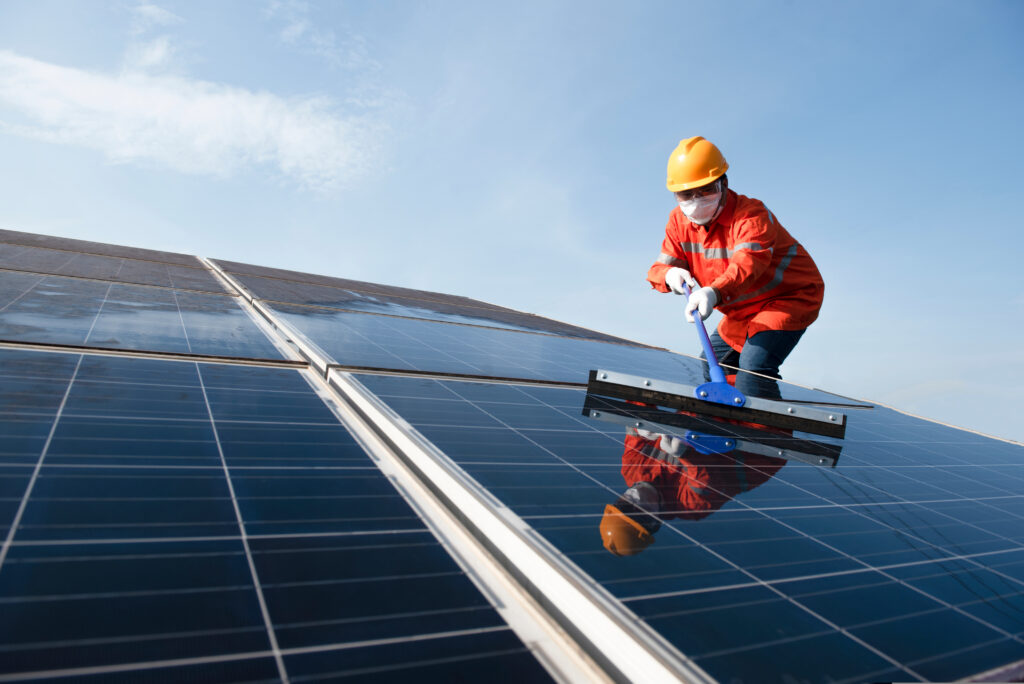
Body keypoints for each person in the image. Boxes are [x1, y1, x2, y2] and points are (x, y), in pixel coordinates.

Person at [647, 136, 824, 399]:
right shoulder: (677, 222)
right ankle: (726, 429)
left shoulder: (751, 215)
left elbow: (749, 263)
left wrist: (713, 292)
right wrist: (669, 274)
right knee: (713, 364)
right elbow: (659, 268)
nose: (695, 200)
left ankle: (763, 436)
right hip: (741, 310)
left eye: (705, 190)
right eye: (686, 194)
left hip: (787, 299)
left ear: (724, 183)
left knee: (754, 370)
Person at [599, 427, 786, 556]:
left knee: (720, 369)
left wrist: (639, 426)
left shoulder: (632, 469)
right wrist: (685, 454)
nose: (633, 499)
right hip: (760, 441)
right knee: (754, 372)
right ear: (654, 520)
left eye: (622, 505)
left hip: (718, 413)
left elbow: (634, 420)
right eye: (637, 511)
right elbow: (705, 476)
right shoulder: (691, 506)